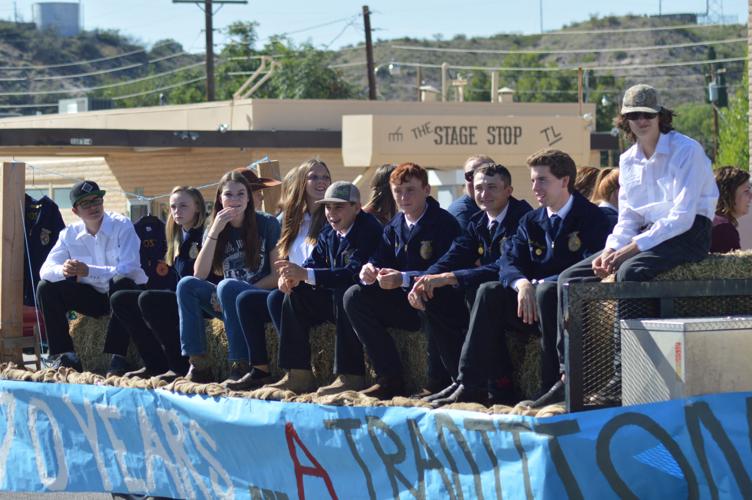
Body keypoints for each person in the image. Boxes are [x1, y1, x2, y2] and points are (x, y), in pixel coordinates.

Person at [553, 83, 719, 407]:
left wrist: (629, 251)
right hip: (646, 234)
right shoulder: (627, 160)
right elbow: (626, 219)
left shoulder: (688, 150)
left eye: (647, 114)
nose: (641, 120)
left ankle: (622, 375)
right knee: (568, 279)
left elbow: (682, 218)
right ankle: (569, 374)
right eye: (633, 115)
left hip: (689, 232)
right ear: (624, 121)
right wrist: (612, 249)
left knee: (630, 273)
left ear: (660, 117)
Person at [428, 149, 611, 406]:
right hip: (528, 307)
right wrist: (521, 282)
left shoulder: (592, 218)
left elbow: (590, 265)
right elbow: (509, 262)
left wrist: (538, 284)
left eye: (542, 180)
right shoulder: (532, 221)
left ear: (565, 181)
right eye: (533, 180)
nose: (535, 187)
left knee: (549, 291)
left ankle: (553, 386)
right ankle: (470, 383)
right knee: (488, 291)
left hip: (567, 306)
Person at [407, 163, 533, 402]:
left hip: (521, 302)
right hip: (487, 297)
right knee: (436, 297)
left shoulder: (523, 218)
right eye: (478, 188)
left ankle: (491, 384)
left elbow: (502, 266)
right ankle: (461, 381)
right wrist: (425, 280)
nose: (483, 194)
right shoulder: (478, 222)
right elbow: (455, 255)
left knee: (485, 293)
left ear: (509, 190)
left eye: (492, 187)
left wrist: (451, 277)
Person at [343, 162, 461, 399]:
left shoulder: (444, 223)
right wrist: (370, 270)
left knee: (432, 295)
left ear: (427, 190)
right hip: (403, 303)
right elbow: (379, 256)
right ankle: (389, 377)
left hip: (436, 301)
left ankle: (437, 381)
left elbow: (445, 268)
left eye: (410, 190)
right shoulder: (395, 225)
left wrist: (405, 279)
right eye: (397, 191)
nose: (403, 197)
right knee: (354, 296)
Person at [256, 182, 383, 395]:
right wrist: (292, 277)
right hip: (336, 300)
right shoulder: (329, 231)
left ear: (357, 207)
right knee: (293, 294)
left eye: (338, 207)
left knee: (347, 292)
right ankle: (298, 373)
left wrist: (305, 274)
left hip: (368, 303)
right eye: (327, 207)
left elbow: (352, 273)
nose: (331, 213)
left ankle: (351, 375)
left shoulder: (369, 229)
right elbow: (314, 263)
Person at [177, 170, 281, 383]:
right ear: (219, 198)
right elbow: (200, 274)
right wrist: (215, 230)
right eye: (229, 195)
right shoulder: (215, 227)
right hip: (226, 298)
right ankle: (199, 364)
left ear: (249, 198)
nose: (235, 200)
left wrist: (231, 291)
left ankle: (240, 364)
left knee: (227, 287)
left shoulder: (268, 223)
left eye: (241, 194)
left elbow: (276, 275)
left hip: (258, 300)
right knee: (186, 284)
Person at [37, 180, 148, 373]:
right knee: (45, 287)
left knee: (121, 283)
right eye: (86, 204)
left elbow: (130, 268)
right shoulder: (68, 234)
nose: (94, 207)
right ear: (75, 211)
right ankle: (65, 355)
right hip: (95, 298)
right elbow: (45, 270)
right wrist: (64, 270)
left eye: (97, 200)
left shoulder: (122, 225)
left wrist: (89, 270)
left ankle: (119, 356)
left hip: (127, 296)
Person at [109, 186, 208, 380]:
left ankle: (178, 365)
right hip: (180, 295)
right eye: (173, 207)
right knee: (120, 299)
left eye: (183, 206)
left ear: (197, 207)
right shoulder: (175, 236)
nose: (177, 211)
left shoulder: (205, 234)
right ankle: (154, 362)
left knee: (149, 299)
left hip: (200, 298)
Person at [266, 160, 332, 335]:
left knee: (276, 299)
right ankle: (256, 362)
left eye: (326, 177)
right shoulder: (292, 220)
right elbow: (285, 261)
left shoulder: (333, 218)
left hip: (322, 289)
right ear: (302, 182)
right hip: (297, 289)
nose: (322, 181)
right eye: (314, 177)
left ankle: (295, 359)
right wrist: (283, 278)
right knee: (246, 300)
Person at [447, 155, 495, 230]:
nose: (477, 181)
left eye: (486, 174)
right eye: (470, 175)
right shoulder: (462, 211)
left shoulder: (507, 206)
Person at [711, 166, 751, 253]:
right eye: (746, 190)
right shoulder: (724, 231)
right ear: (729, 195)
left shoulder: (708, 223)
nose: (751, 196)